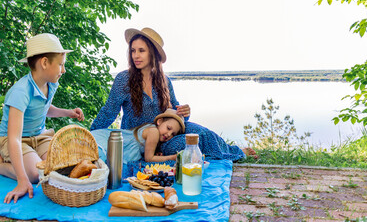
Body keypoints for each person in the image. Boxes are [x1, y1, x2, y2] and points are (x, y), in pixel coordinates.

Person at [90, 27, 255, 163]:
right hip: (139, 140)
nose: (136, 56)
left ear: (152, 53)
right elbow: (109, 112)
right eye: (133, 51)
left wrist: (185, 113)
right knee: (183, 145)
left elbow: (175, 115)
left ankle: (233, 151)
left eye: (141, 50)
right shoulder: (123, 79)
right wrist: (89, 137)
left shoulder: (165, 81)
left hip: (165, 133)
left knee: (200, 133)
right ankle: (188, 156)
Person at [0, 33, 85, 204]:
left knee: (61, 165)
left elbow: (44, 109)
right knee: (34, 174)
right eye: (61, 65)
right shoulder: (21, 92)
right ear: (45, 63)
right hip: (15, 140)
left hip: (40, 137)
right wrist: (22, 180)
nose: (64, 70)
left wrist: (68, 112)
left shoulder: (50, 84)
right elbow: (14, 138)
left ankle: (29, 163)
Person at [92, 109, 185, 163]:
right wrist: (171, 157)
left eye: (173, 134)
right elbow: (149, 159)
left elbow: (149, 153)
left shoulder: (150, 128)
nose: (169, 134)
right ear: (159, 121)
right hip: (107, 144)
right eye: (168, 128)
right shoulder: (154, 132)